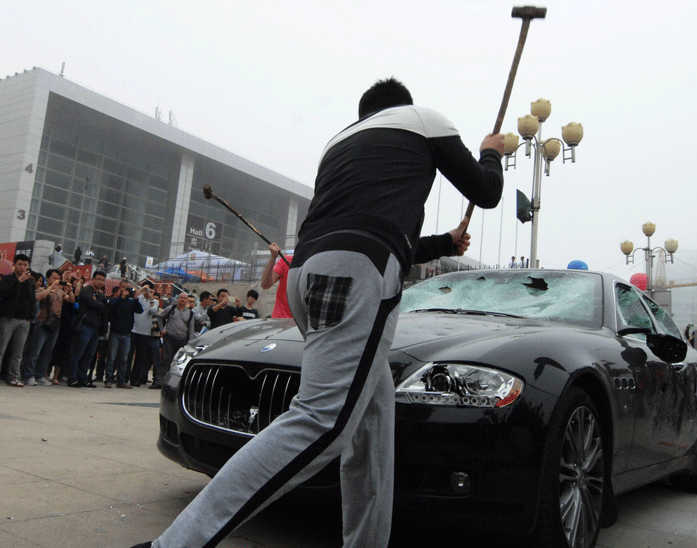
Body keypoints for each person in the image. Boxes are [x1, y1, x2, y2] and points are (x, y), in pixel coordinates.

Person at [135, 78, 504, 548]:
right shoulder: (423, 119)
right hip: (355, 276)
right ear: (402, 106)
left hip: (308, 274)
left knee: (371, 426)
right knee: (320, 422)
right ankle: (174, 545)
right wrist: (490, 152)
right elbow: (486, 191)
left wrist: (444, 243)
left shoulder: (342, 143)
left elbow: (371, 229)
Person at [22, 269, 75, 386]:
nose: (56, 280)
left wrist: (70, 291)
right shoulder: (43, 288)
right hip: (42, 323)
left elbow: (71, 300)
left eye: (58, 278)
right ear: (48, 278)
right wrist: (50, 289)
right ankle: (28, 375)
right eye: (53, 277)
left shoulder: (60, 291)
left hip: (55, 325)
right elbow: (37, 297)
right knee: (35, 351)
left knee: (47, 352)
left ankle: (40, 375)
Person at [0, 255, 39, 387]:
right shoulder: (7, 279)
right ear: (14, 265)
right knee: (1, 349)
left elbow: (33, 301)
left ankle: (14, 377)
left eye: (25, 265)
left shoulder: (30, 283)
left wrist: (30, 317)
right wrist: (18, 282)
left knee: (18, 352)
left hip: (23, 321)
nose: (22, 267)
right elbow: (3, 293)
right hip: (7, 319)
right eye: (20, 264)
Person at [66, 270, 109, 388]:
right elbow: (91, 303)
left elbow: (104, 309)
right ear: (93, 279)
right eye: (98, 279)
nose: (100, 282)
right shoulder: (86, 290)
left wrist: (98, 304)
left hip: (96, 329)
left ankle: (82, 378)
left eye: (102, 280)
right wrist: (99, 304)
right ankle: (73, 378)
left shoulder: (101, 295)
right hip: (84, 326)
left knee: (89, 355)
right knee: (78, 353)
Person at [155, 293, 197, 389]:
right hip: (169, 338)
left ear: (187, 300)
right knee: (166, 360)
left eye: (185, 298)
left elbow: (191, 328)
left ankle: (175, 384)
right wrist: (162, 330)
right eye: (181, 298)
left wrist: (190, 343)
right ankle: (159, 382)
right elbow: (160, 318)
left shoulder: (190, 313)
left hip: (182, 340)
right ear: (178, 299)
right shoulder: (171, 309)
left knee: (179, 362)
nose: (183, 300)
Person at [105, 280, 142, 388]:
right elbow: (110, 306)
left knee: (124, 359)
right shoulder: (115, 300)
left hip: (127, 333)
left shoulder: (131, 302)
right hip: (115, 332)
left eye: (127, 288)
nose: (125, 291)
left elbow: (139, 310)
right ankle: (108, 379)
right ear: (120, 288)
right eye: (123, 288)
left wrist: (136, 299)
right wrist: (120, 297)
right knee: (112, 357)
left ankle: (121, 380)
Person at [129, 281, 160, 388]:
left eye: (150, 290)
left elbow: (153, 311)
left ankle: (135, 378)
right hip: (133, 330)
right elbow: (134, 299)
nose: (147, 292)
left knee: (140, 357)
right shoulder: (139, 298)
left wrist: (151, 297)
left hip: (145, 332)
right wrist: (142, 290)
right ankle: (123, 376)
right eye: (146, 289)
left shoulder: (154, 301)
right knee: (129, 355)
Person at [260, 242, 293, 319]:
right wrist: (273, 257)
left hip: (302, 324)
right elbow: (265, 284)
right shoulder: (286, 260)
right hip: (280, 320)